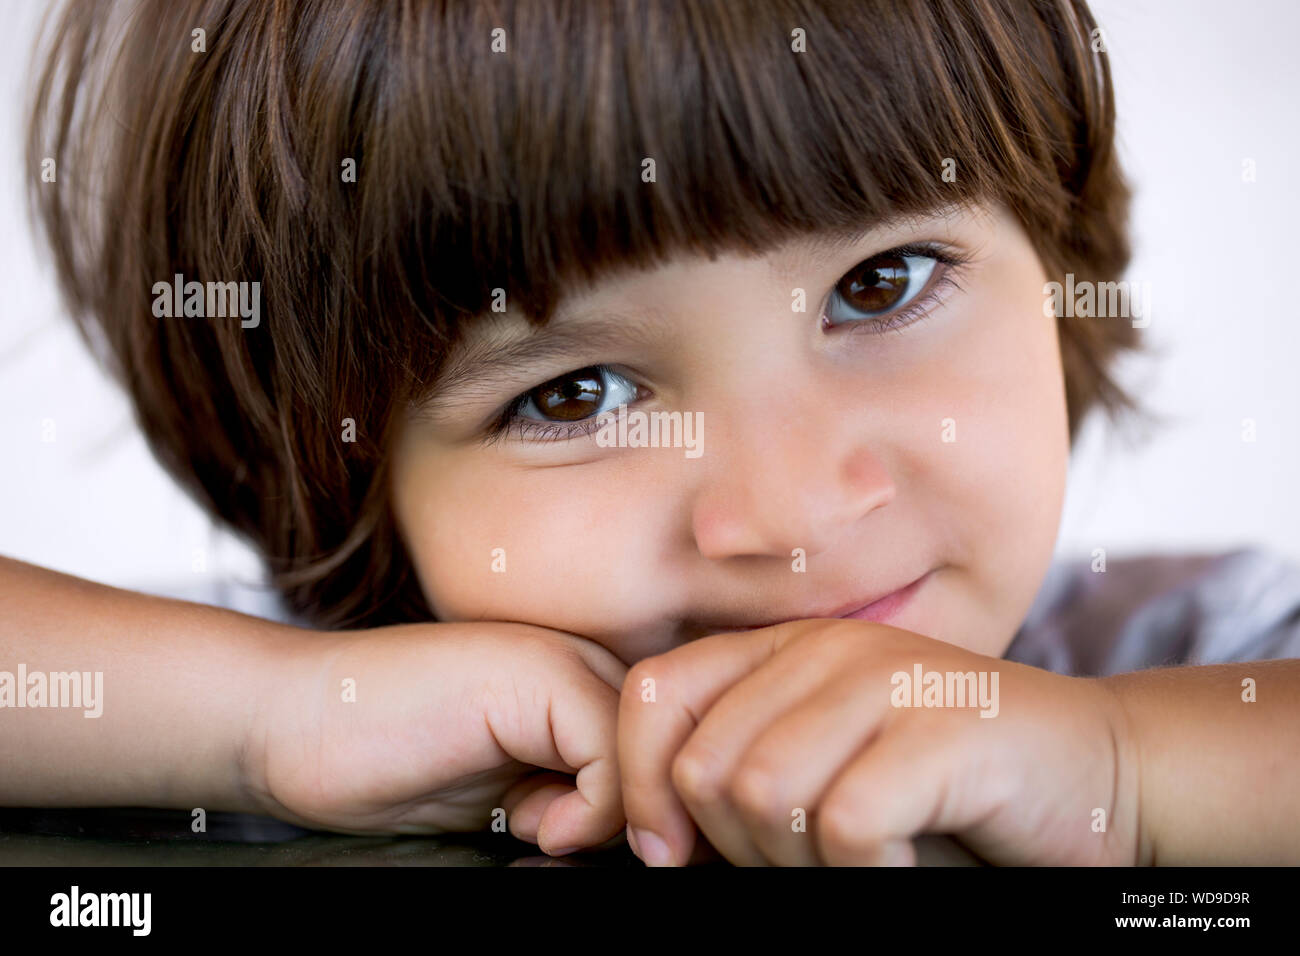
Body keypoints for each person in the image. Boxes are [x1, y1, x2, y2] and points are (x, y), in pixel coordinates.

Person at [6, 0, 1297, 865]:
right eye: (573, 396)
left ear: (1057, 263)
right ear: (347, 480)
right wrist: (263, 723)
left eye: (880, 286)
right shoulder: (356, 728)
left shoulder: (1187, 660)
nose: (788, 515)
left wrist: (1128, 775)